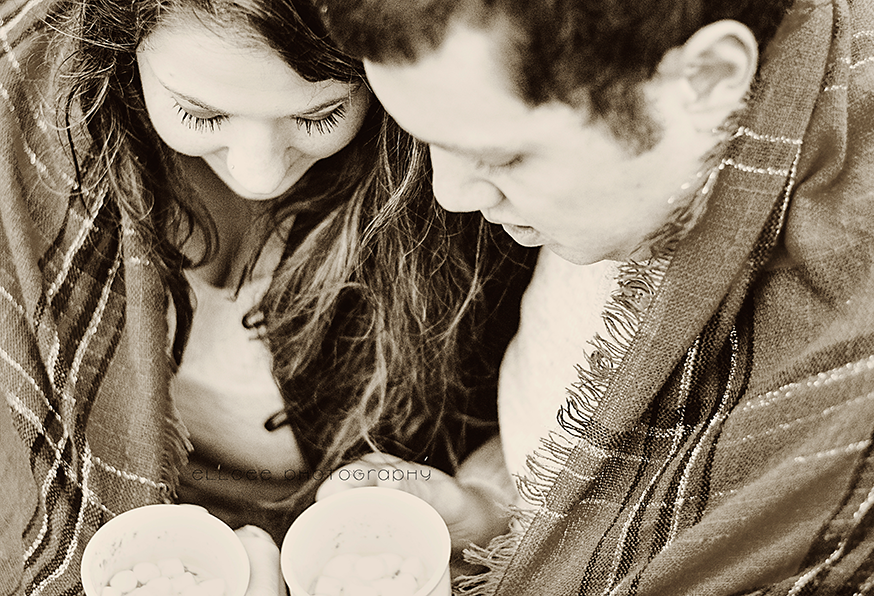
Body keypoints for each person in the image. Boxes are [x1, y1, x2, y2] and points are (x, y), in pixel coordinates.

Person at [314, 0, 874, 594]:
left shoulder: (865, 388)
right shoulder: (654, 164)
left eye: (500, 157)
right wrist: (487, 511)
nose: (450, 194)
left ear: (707, 78)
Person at [0, 0, 531, 593]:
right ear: (118, 35)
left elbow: (557, 404)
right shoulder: (21, 143)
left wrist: (481, 505)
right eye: (200, 114)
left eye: (320, 115)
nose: (259, 174)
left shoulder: (469, 177)